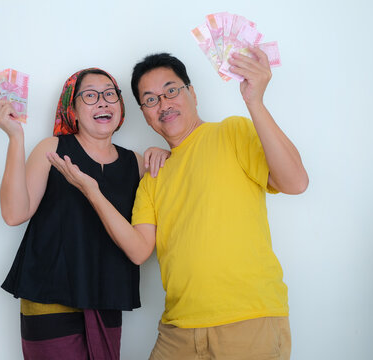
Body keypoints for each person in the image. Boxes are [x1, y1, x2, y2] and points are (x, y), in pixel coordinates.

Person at [48, 49, 309, 359]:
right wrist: (92, 192)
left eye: (171, 90)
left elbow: (295, 183)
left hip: (248, 323)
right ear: (143, 112)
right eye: (150, 99)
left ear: (192, 93)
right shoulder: (153, 175)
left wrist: (255, 103)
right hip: (178, 332)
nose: (163, 104)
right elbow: (138, 249)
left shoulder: (232, 132)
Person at [0, 67, 169, 360]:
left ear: (120, 107)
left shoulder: (137, 163)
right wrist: (15, 138)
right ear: (72, 109)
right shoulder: (53, 149)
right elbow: (14, 213)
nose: (103, 102)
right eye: (91, 96)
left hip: (106, 297)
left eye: (110, 94)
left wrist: (164, 154)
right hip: (48, 295)